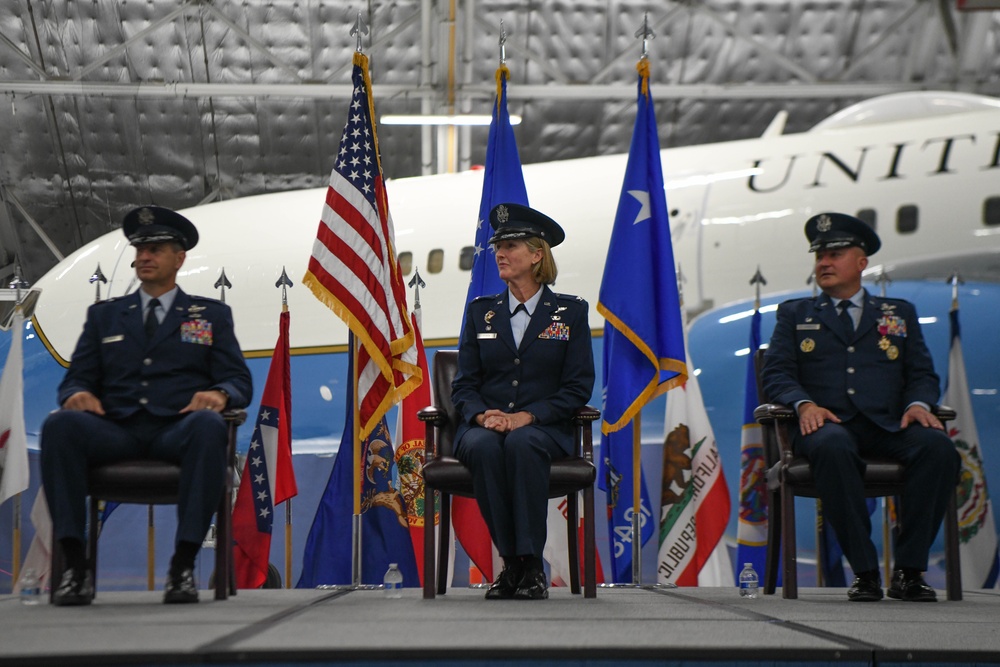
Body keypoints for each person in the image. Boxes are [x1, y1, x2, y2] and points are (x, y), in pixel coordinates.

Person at [40, 206, 253, 606]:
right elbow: (76, 378)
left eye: (155, 249)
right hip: (115, 430)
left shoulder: (208, 316)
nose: (144, 257)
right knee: (60, 426)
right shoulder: (105, 317)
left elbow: (239, 380)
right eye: (139, 250)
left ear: (180, 257)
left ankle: (183, 566)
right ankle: (74, 566)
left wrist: (220, 394)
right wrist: (76, 394)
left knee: (209, 427)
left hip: (177, 430)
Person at [762, 212, 959, 602]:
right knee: (833, 446)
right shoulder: (796, 314)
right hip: (826, 427)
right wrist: (803, 405)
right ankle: (866, 572)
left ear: (862, 262)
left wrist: (920, 403)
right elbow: (777, 374)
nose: (824, 263)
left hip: (888, 425)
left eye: (835, 254)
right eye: (819, 256)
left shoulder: (897, 314)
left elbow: (922, 372)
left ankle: (909, 571)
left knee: (938, 449)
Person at [451, 203, 595, 600]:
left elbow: (577, 387)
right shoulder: (482, 313)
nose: (499, 252)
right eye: (498, 245)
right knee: (482, 447)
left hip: (543, 429)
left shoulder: (571, 313)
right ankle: (516, 565)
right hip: (484, 426)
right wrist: (482, 416)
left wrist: (527, 417)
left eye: (511, 245)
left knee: (522, 443)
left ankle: (527, 564)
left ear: (537, 254)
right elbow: (464, 385)